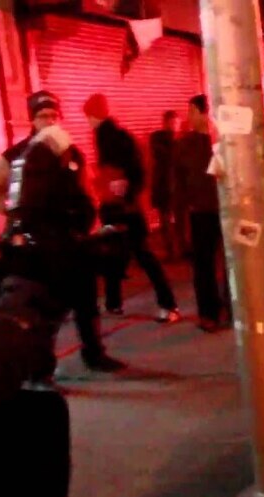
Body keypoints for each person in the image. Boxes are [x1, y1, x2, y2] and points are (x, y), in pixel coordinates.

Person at [0, 91, 125, 373]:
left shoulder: (69, 150)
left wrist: (90, 223)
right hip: (41, 246)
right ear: (32, 120)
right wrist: (12, 218)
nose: (50, 121)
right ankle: (41, 369)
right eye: (43, 116)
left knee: (86, 301)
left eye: (54, 115)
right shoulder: (19, 154)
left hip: (73, 241)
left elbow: (86, 188)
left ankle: (94, 353)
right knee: (47, 310)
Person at [83, 93, 180, 323]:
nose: (88, 121)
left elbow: (131, 172)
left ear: (96, 115)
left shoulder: (110, 138)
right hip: (124, 207)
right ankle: (116, 302)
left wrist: (122, 188)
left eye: (89, 116)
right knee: (120, 254)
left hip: (121, 208)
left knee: (132, 254)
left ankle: (166, 304)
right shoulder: (111, 137)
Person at [172, 95, 230, 332]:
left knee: (219, 263)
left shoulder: (222, 141)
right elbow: (178, 181)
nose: (188, 117)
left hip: (217, 210)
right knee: (208, 264)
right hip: (207, 211)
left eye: (191, 112)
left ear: (203, 113)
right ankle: (212, 310)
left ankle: (220, 310)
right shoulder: (188, 144)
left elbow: (178, 183)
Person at [151, 110, 186, 260]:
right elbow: (167, 156)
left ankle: (182, 247)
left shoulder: (182, 139)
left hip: (177, 184)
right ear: (165, 123)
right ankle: (171, 249)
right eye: (172, 122)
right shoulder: (158, 138)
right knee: (166, 219)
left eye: (176, 123)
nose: (175, 126)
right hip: (164, 184)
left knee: (180, 218)